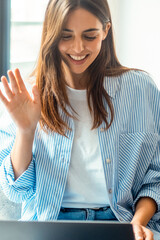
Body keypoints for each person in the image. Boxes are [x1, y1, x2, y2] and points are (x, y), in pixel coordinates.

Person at [0, 0, 159, 239]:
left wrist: (136, 224)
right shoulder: (29, 96)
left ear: (105, 30)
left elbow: (155, 175)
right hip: (50, 224)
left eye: (89, 36)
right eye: (66, 36)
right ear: (51, 34)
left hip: (121, 222)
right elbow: (16, 191)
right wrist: (26, 130)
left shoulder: (140, 89)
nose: (77, 48)